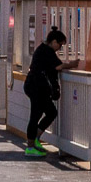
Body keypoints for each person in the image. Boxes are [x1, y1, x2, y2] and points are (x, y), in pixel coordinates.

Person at [24, 28, 79, 157]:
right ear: (54, 41)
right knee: (36, 115)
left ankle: (35, 139)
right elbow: (58, 66)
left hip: (35, 86)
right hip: (37, 87)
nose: (59, 48)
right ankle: (30, 146)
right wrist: (71, 64)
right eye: (60, 44)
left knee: (50, 112)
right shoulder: (46, 51)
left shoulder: (43, 49)